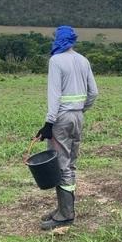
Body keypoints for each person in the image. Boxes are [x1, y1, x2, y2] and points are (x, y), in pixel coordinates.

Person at [35, 26, 98, 231]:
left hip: (61, 118)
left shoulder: (56, 61)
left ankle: (65, 214)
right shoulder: (83, 60)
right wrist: (80, 110)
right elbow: (93, 93)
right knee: (70, 163)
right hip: (78, 116)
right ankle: (63, 208)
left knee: (60, 164)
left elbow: (54, 96)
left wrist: (48, 123)